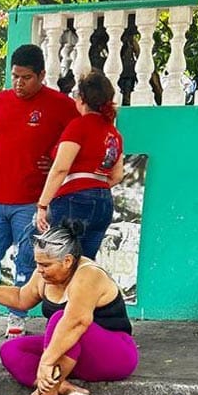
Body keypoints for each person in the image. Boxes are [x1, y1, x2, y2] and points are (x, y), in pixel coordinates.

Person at [0, 221, 138, 395]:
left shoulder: (88, 274)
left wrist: (46, 362)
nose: (40, 270)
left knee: (60, 319)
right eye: (38, 264)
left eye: (46, 265)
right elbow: (21, 298)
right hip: (74, 357)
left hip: (114, 356)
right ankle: (69, 390)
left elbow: (76, 321)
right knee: (11, 350)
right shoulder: (43, 275)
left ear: (68, 261)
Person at [0, 44, 79, 338]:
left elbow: (79, 134)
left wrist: (58, 156)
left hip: (32, 202)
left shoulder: (60, 105)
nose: (18, 83)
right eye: (15, 76)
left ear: (42, 75)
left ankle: (17, 316)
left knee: (26, 260)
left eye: (26, 77)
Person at [35, 69, 124, 258]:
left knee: (58, 262)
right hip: (104, 203)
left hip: (73, 200)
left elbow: (60, 168)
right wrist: (95, 187)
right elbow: (117, 176)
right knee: (84, 264)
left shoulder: (78, 126)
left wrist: (42, 206)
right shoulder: (114, 134)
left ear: (82, 98)